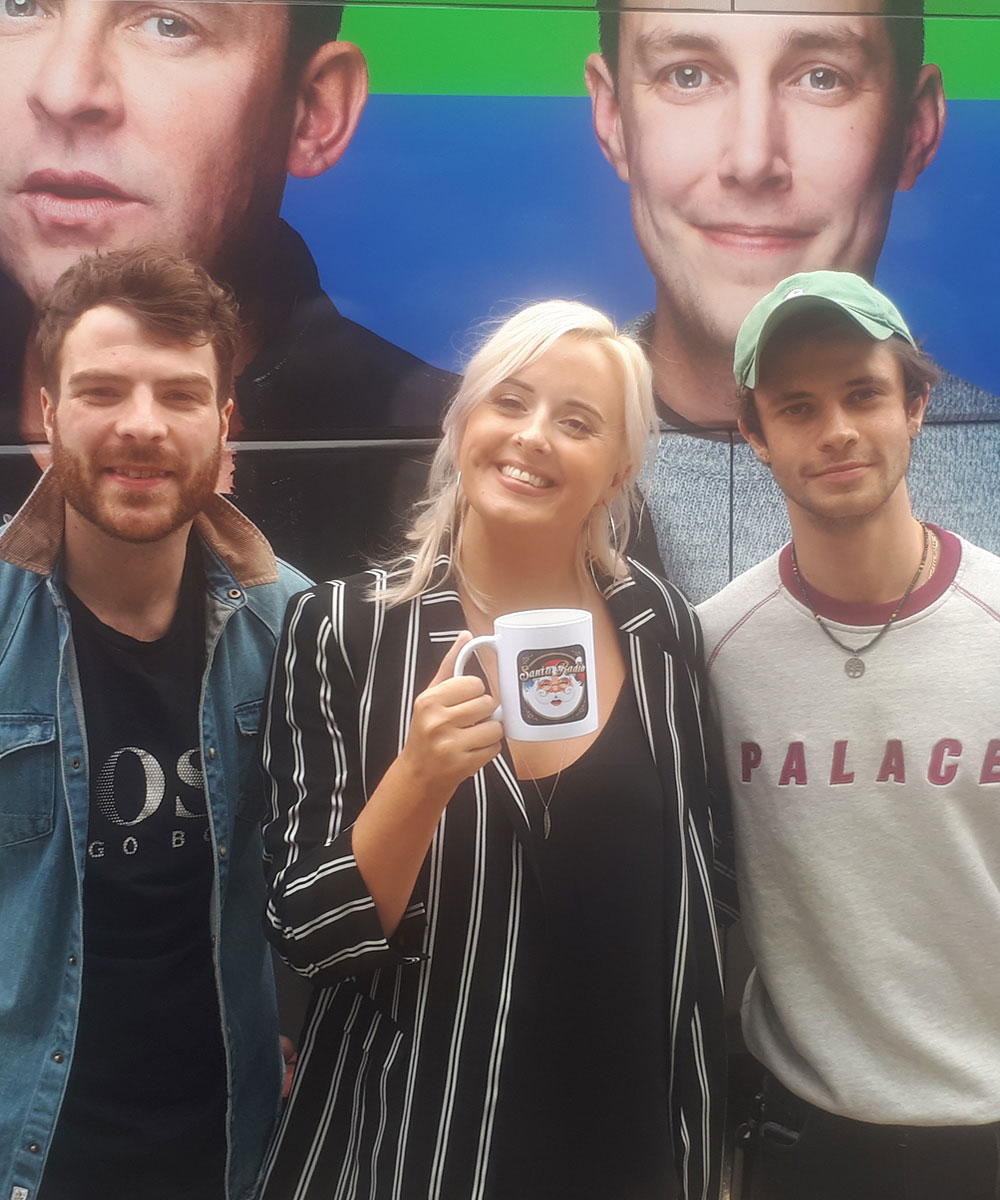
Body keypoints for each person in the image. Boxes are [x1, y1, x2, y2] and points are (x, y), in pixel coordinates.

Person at [259, 301, 737, 1200]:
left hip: (629, 1146)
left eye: (578, 421)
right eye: (508, 402)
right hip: (421, 1146)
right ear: (462, 421)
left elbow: (706, 895)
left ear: (619, 469)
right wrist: (419, 777)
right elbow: (306, 932)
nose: (533, 437)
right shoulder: (345, 630)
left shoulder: (660, 628)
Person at [0, 246, 310, 1200]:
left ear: (224, 429)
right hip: (28, 1150)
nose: (141, 426)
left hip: (231, 1154)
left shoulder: (297, 625)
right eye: (101, 391)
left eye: (179, 396)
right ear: (49, 419)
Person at [698, 271, 1000, 1199]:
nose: (834, 429)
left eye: (863, 393)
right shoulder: (710, 651)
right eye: (795, 406)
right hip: (806, 1138)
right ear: (753, 436)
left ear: (916, 406)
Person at [0, 0, 455, 575]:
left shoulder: (449, 453)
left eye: (169, 24)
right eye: (19, 6)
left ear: (315, 109)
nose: (64, 92)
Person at [586, 0, 1000, 600]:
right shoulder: (525, 466)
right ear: (612, 116)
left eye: (821, 77)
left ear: (915, 127)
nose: (752, 161)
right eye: (688, 75)